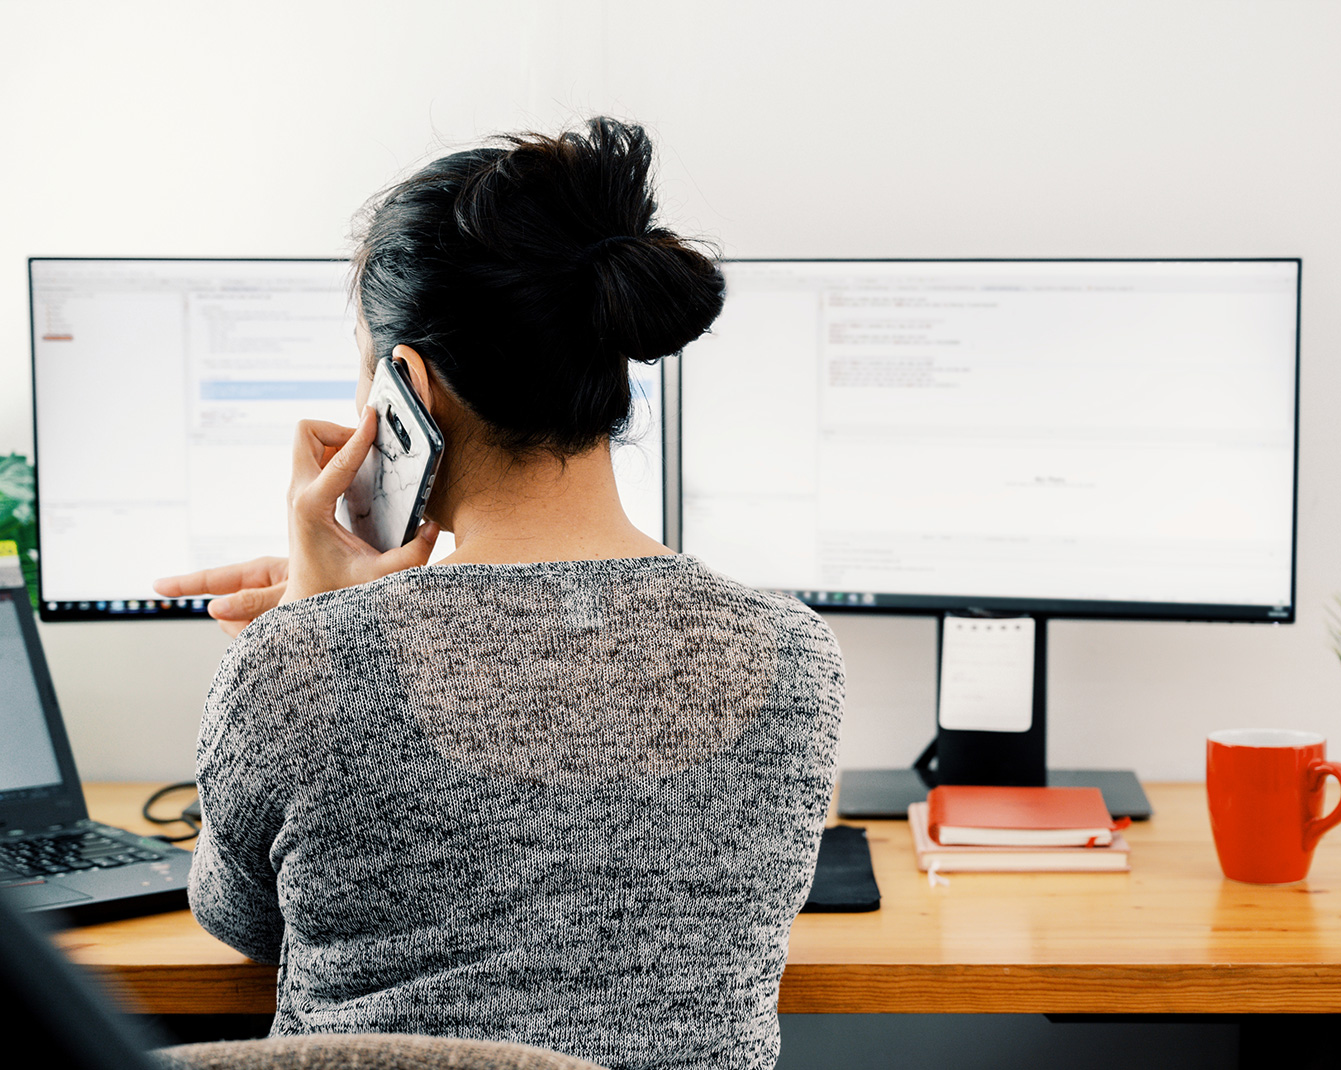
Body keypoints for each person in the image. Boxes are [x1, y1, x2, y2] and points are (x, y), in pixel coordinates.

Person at [154, 118, 844, 1070]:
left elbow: (238, 922)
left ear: (407, 390)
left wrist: (316, 627)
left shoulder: (296, 660)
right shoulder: (796, 655)